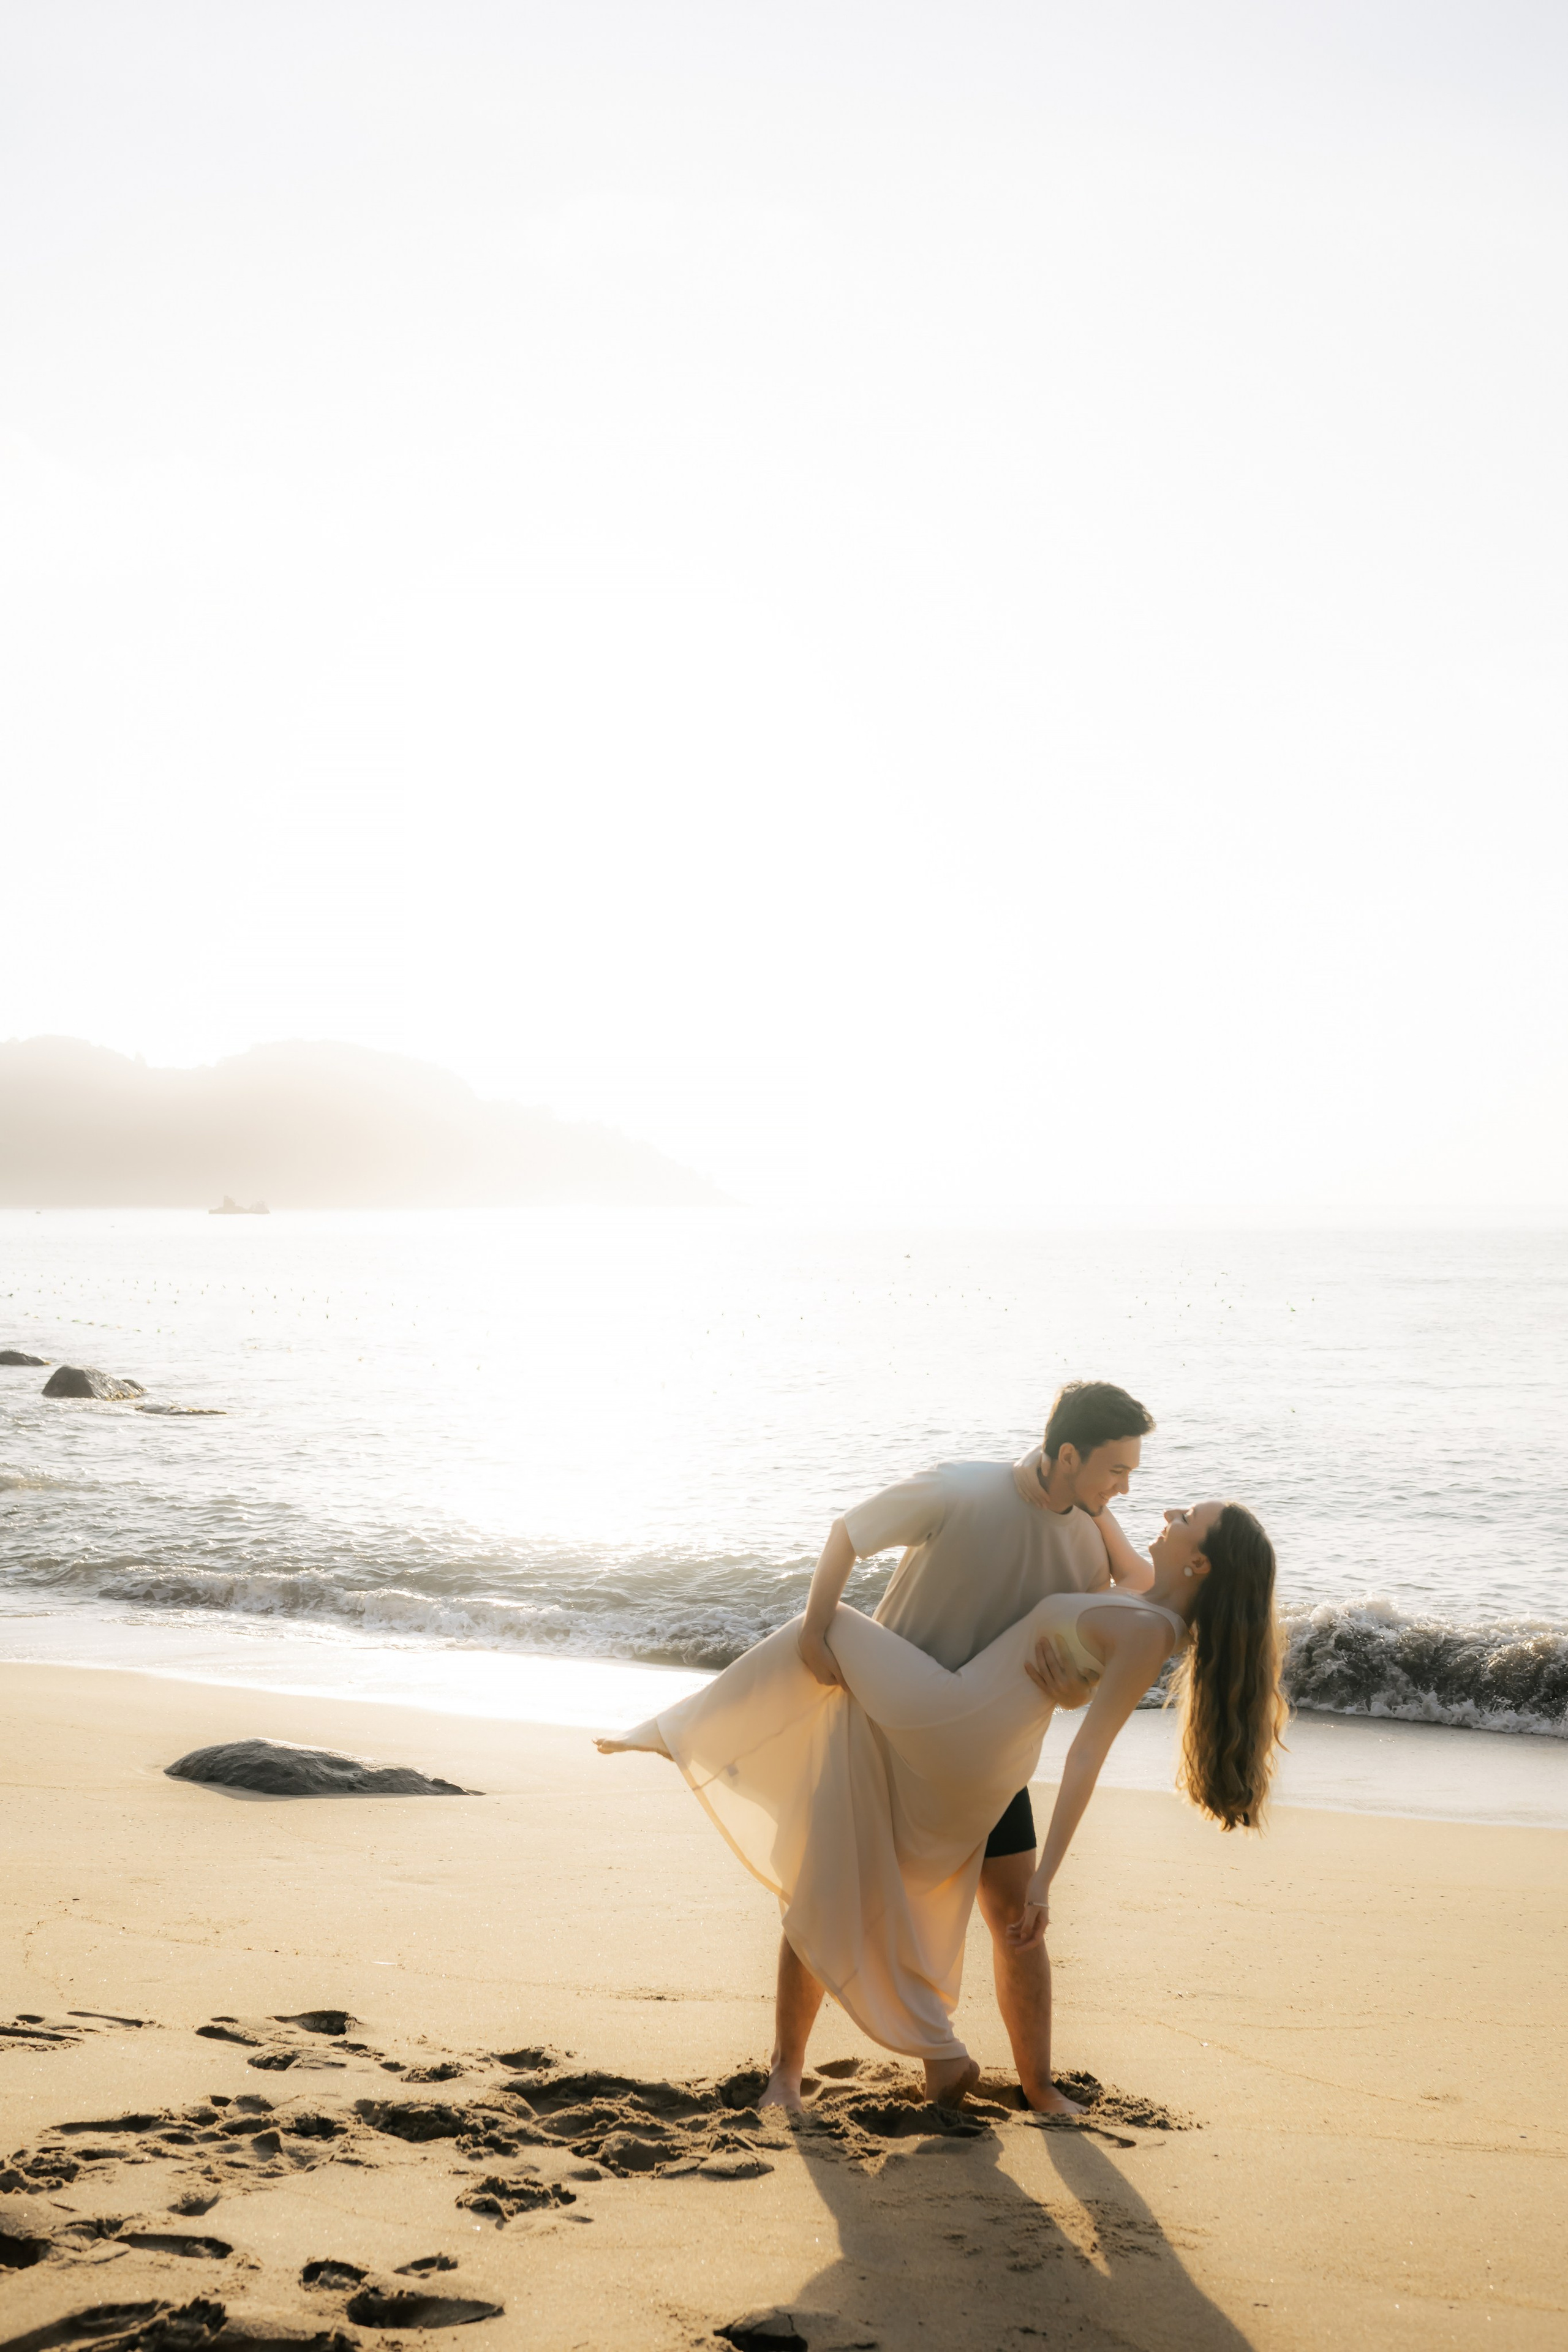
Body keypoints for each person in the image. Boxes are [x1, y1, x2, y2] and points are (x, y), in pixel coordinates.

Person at [598, 1496, 1285, 2114]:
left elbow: (1086, 1755)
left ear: (1198, 1562)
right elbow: (1105, 1534)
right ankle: (1012, 2081)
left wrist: (1050, 1878)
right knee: (981, 1906)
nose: (1166, 1513)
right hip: (989, 1746)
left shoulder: (1149, 1632)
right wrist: (1089, 1495)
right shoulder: (1142, 1596)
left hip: (962, 1720)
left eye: (1185, 1518)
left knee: (828, 1621)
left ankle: (684, 1732)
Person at [793, 1379, 1158, 2114]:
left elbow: (1109, 1629)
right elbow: (849, 1531)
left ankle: (1040, 2086)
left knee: (1018, 1916)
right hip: (888, 1731)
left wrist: (1071, 1690)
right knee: (826, 1897)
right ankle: (782, 2073)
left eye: (1130, 1473)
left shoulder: (1089, 1540)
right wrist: (815, 1624)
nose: (1125, 1486)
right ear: (1064, 1454)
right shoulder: (962, 1488)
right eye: (1115, 1469)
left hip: (988, 1754)